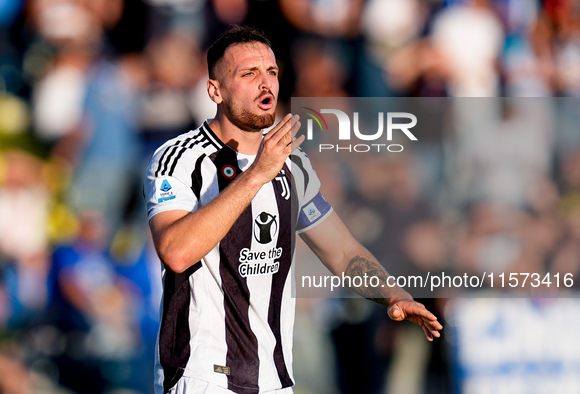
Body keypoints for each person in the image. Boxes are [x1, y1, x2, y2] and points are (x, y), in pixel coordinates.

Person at [144, 25, 442, 394]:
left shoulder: (293, 163)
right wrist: (255, 175)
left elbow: (343, 251)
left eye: (271, 72)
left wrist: (394, 295)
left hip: (274, 379)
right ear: (215, 90)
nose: (265, 83)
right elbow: (175, 251)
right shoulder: (179, 158)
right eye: (248, 74)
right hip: (203, 375)